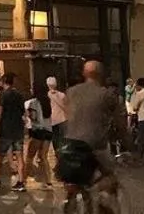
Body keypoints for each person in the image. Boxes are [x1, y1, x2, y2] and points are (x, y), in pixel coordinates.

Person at [57, 61, 125, 208]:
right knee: (110, 174)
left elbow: (69, 115)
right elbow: (120, 122)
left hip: (69, 145)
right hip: (94, 145)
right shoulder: (106, 95)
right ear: (102, 75)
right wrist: (126, 142)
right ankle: (104, 202)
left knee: (76, 181)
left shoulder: (71, 92)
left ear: (84, 74)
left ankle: (76, 199)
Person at [0, 73, 26, 193]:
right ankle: (21, 182)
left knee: (0, 155)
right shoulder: (19, 94)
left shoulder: (3, 95)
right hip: (18, 129)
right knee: (20, 156)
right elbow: (23, 112)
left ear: (4, 81)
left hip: (6, 129)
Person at [23, 82, 53, 188]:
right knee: (43, 156)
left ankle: (23, 180)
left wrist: (27, 115)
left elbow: (34, 117)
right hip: (48, 130)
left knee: (29, 157)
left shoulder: (34, 103)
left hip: (38, 131)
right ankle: (48, 180)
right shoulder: (48, 101)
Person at [46, 76, 69, 150]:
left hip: (52, 120)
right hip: (62, 119)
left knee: (55, 139)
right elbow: (67, 106)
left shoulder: (47, 96)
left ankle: (57, 154)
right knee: (63, 138)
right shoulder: (62, 95)